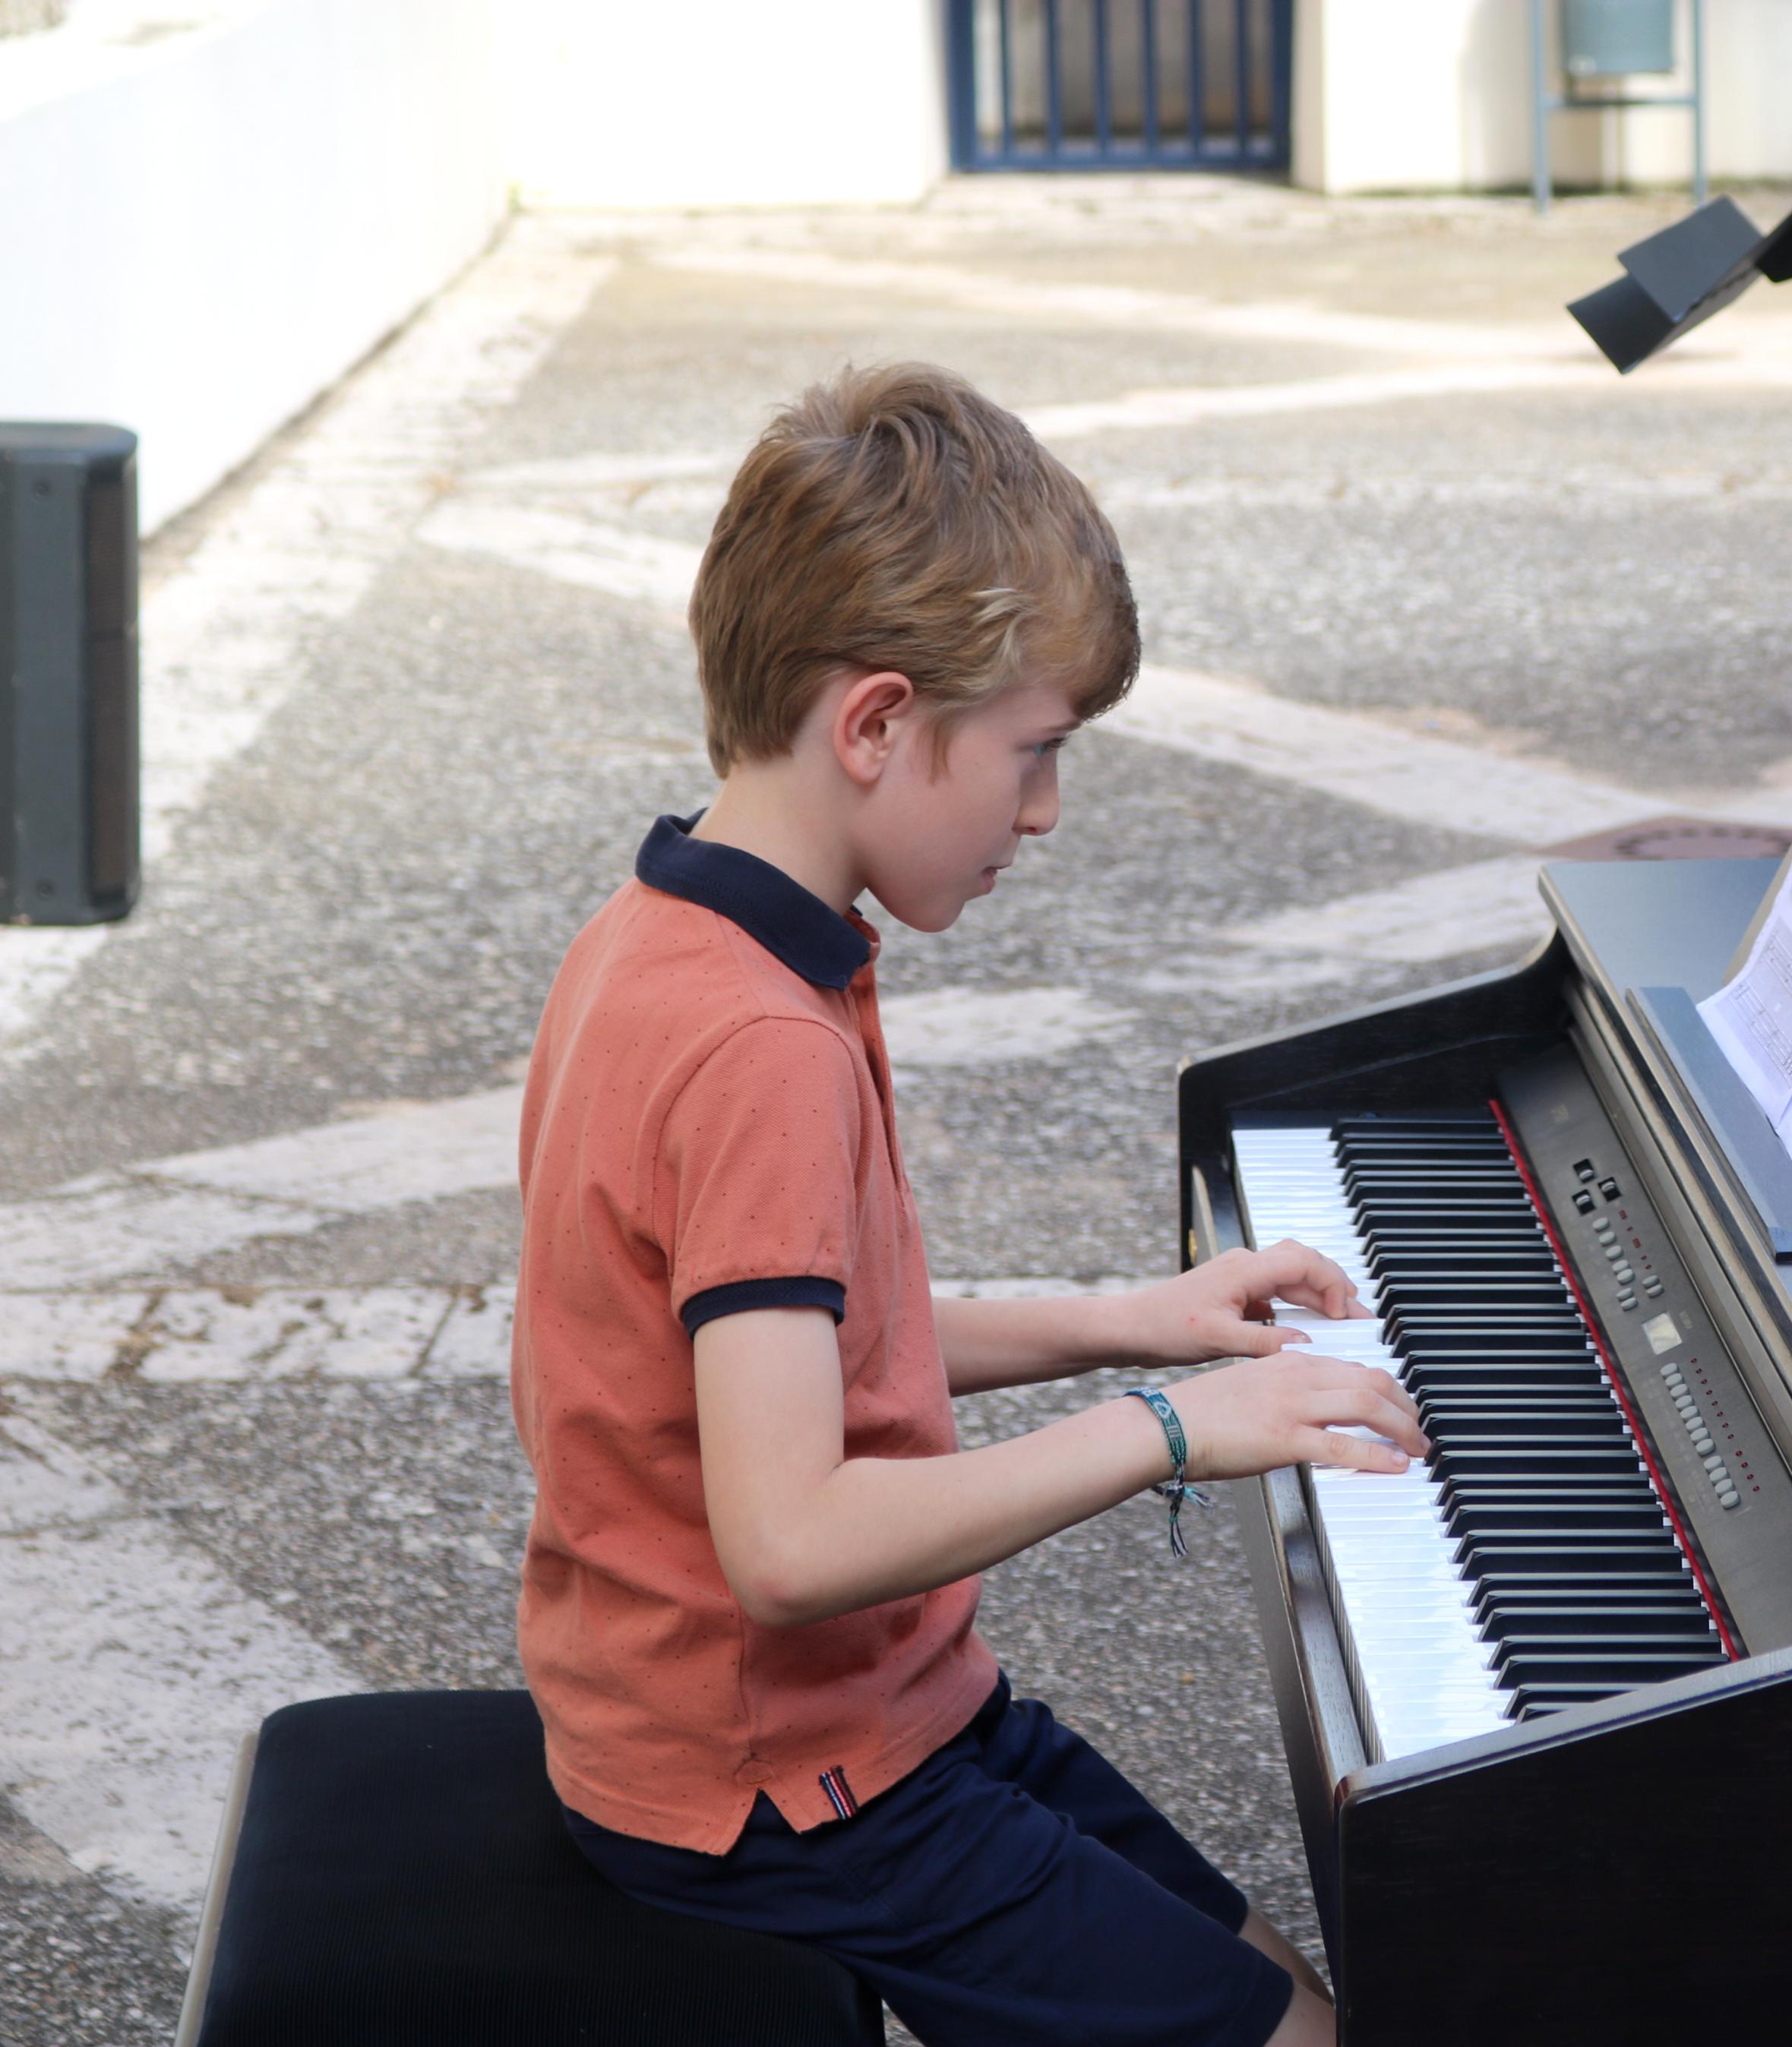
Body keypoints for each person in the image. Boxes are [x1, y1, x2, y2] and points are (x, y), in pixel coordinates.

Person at [507, 360, 1421, 2047]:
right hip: (780, 1784)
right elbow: (787, 1544)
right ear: (874, 724)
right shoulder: (757, 1047)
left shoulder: (671, 932)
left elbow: (807, 1345)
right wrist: (1173, 1420)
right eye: (1033, 752)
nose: (1048, 810)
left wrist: (1124, 1317)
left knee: (1299, 1995)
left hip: (869, 1712)